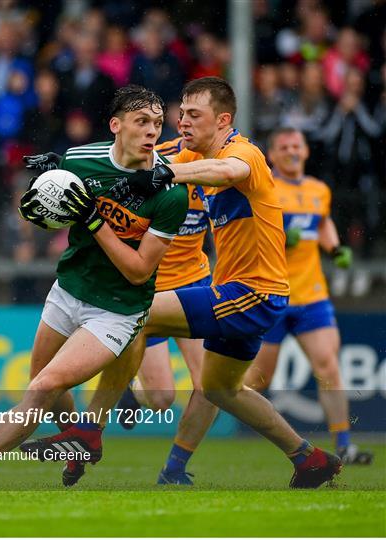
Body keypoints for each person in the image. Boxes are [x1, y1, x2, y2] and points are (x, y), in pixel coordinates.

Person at [22, 77, 343, 489]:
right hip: (236, 292)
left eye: (194, 115)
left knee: (140, 315)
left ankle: (88, 431)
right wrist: (65, 168)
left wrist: (167, 174)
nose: (182, 121)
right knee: (222, 389)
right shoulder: (189, 152)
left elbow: (225, 170)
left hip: (252, 295)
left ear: (223, 119)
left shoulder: (243, 154)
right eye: (182, 113)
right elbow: (132, 156)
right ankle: (309, 458)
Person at [0, 85, 188, 488]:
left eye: (158, 123)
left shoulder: (171, 192)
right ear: (116, 125)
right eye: (142, 122)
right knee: (41, 388)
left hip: (118, 308)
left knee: (44, 386)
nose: (152, 131)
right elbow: (42, 214)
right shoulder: (80, 159)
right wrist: (46, 194)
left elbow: (140, 272)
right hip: (68, 289)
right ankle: (82, 441)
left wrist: (93, 219)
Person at [243, 127, 373, 466]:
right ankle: (204, 430)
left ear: (305, 151)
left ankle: (344, 446)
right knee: (256, 380)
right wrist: (283, 236)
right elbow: (249, 235)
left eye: (296, 145)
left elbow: (323, 222)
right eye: (283, 146)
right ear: (271, 154)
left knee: (329, 366)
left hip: (312, 295)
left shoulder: (319, 190)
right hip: (272, 295)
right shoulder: (265, 188)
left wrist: (336, 247)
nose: (291, 151)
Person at [117, 135, 218, 485]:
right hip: (150, 289)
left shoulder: (223, 166)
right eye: (185, 118)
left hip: (195, 283)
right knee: (161, 399)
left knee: (211, 385)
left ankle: (174, 468)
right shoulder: (151, 162)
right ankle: (130, 387)